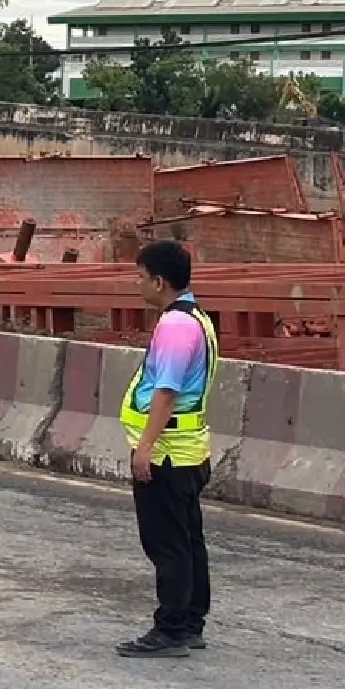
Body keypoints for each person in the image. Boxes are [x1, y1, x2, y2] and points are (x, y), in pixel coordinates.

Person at [119, 239, 219, 659]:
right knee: (188, 538)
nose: (137, 285)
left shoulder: (176, 327)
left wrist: (145, 447)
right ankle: (191, 619)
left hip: (168, 452)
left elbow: (166, 391)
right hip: (187, 450)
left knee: (167, 543)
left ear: (159, 281)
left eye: (141, 278)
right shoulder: (197, 318)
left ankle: (171, 628)